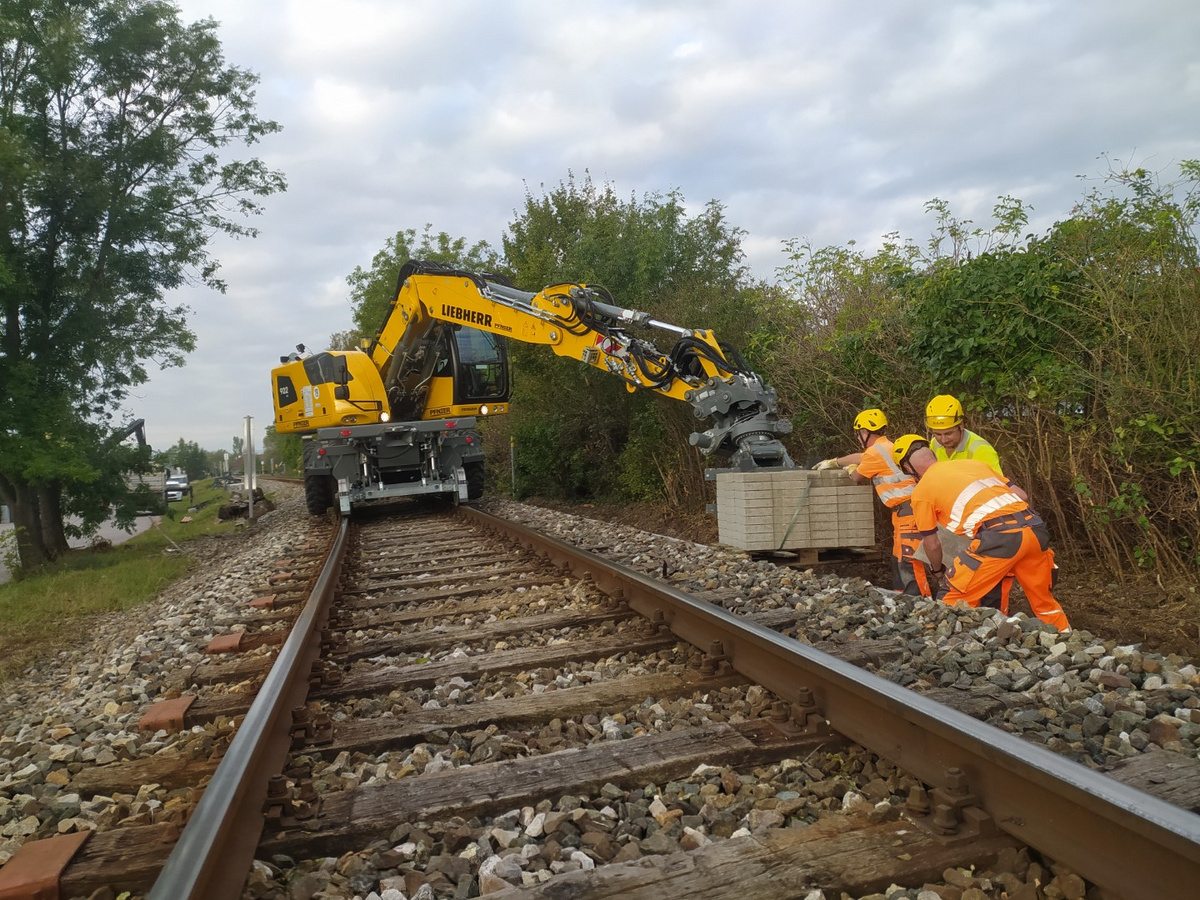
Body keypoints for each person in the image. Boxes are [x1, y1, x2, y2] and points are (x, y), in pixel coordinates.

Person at [890, 434, 1071, 632]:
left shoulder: (922, 491)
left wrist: (937, 570)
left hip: (998, 538)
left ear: (908, 468)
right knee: (1044, 603)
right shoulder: (975, 465)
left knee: (952, 597)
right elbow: (1021, 495)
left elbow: (932, 544)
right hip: (1035, 530)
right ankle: (1066, 641)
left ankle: (956, 650)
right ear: (932, 453)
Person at [815, 409, 931, 597]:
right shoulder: (885, 447)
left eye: (859, 434)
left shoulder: (876, 453)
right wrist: (835, 462)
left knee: (908, 561)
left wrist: (850, 469)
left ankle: (920, 602)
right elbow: (861, 458)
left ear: (864, 432)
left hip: (909, 511)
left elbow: (856, 476)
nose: (859, 438)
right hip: (905, 512)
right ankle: (901, 597)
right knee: (898, 558)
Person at [925, 394, 1028, 502]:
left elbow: (998, 488)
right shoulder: (934, 444)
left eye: (949, 433)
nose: (944, 440)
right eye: (938, 434)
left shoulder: (981, 450)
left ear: (961, 426)